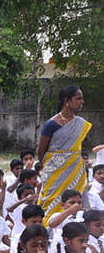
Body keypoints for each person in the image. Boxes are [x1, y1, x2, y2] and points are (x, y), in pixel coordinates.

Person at [37, 86, 96, 216]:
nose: (82, 102)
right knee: (51, 199)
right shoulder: (51, 124)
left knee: (77, 197)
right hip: (55, 170)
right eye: (78, 98)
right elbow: (41, 151)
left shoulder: (80, 123)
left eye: (82, 98)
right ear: (66, 100)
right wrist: (47, 168)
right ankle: (49, 226)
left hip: (75, 169)